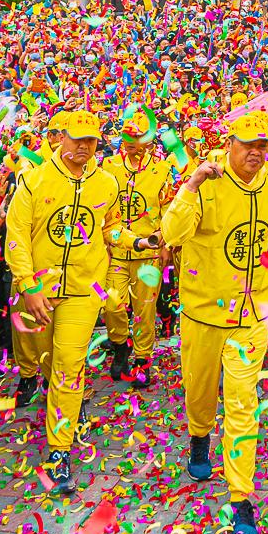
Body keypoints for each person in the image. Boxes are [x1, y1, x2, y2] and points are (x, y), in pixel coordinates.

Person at [160, 109, 268, 534]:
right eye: (249, 145)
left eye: (264, 145)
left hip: (252, 317)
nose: (257, 153)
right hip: (204, 314)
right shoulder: (207, 179)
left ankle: (241, 503)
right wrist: (191, 185)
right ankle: (199, 436)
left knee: (242, 403)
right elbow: (171, 232)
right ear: (230, 143)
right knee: (200, 393)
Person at [2, 108, 123, 495]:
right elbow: (17, 232)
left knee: (70, 362)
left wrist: (134, 240)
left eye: (92, 141)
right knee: (43, 356)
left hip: (83, 291)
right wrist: (28, 284)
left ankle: (60, 449)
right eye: (78, 139)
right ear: (58, 137)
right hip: (37, 290)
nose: (85, 147)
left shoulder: (106, 183)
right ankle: (41, 386)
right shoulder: (33, 179)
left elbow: (109, 227)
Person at [102, 109, 171, 387]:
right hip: (116, 251)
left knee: (145, 309)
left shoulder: (162, 169)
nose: (131, 143)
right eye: (128, 137)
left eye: (138, 138)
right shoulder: (108, 166)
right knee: (112, 304)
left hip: (148, 253)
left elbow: (169, 209)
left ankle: (143, 359)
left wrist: (165, 240)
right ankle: (120, 345)